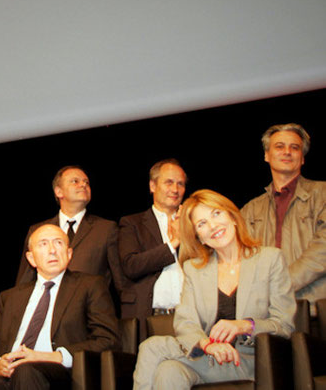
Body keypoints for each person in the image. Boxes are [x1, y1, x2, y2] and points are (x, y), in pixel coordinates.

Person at [0, 223, 119, 390]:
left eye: (58, 243)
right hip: (6, 376)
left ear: (69, 254)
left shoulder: (89, 285)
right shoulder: (10, 298)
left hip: (56, 374)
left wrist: (51, 357)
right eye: (43, 244)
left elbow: (107, 340)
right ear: (31, 258)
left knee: (27, 371)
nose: (52, 250)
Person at [132, 189, 296, 390]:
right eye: (201, 224)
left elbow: (284, 325)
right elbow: (186, 322)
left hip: (252, 360)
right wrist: (207, 345)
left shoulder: (270, 259)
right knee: (168, 371)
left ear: (233, 216)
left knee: (151, 347)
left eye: (216, 214)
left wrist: (244, 325)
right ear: (199, 237)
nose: (212, 226)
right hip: (209, 358)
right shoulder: (195, 269)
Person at [241, 123, 325, 314]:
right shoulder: (250, 210)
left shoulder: (323, 194)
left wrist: (280, 285)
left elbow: (322, 251)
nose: (287, 152)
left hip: (315, 310)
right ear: (266, 155)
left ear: (302, 158)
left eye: (294, 147)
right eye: (279, 146)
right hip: (268, 315)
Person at [17, 167, 125, 298]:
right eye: (75, 181)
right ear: (58, 191)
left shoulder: (106, 229)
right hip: (46, 307)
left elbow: (120, 280)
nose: (83, 185)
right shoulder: (38, 230)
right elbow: (25, 279)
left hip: (88, 310)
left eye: (86, 182)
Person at [118, 159, 187, 339]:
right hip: (149, 319)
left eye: (180, 184)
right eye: (169, 182)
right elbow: (131, 266)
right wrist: (174, 243)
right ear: (152, 186)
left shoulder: (194, 224)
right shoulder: (132, 223)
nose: (175, 189)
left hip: (188, 320)